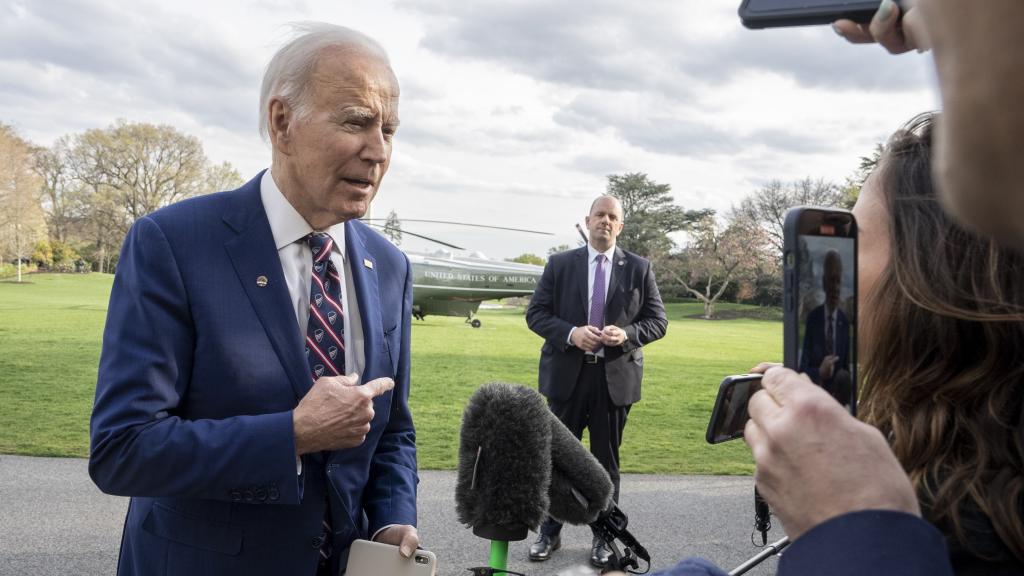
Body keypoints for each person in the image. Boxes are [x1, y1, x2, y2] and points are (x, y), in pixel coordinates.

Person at [88, 24, 419, 576]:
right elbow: (123, 449)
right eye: (356, 121)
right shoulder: (173, 243)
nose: (379, 150)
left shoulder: (388, 265)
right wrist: (291, 434)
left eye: (389, 128)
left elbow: (392, 432)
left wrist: (390, 520)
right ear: (282, 121)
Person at [525, 195, 668, 568]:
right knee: (554, 461)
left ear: (620, 226)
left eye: (613, 217)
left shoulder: (639, 267)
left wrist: (628, 334)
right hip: (567, 380)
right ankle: (548, 533)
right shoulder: (559, 265)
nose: (605, 221)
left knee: (606, 465)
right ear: (587, 221)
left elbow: (658, 321)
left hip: (613, 383)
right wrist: (571, 333)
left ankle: (604, 538)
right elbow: (536, 314)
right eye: (599, 215)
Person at [797, 250, 851, 401]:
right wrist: (819, 372)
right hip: (813, 398)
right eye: (831, 280)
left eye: (838, 281)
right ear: (824, 282)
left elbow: (846, 371)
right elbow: (802, 370)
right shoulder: (813, 319)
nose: (835, 287)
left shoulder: (844, 322)